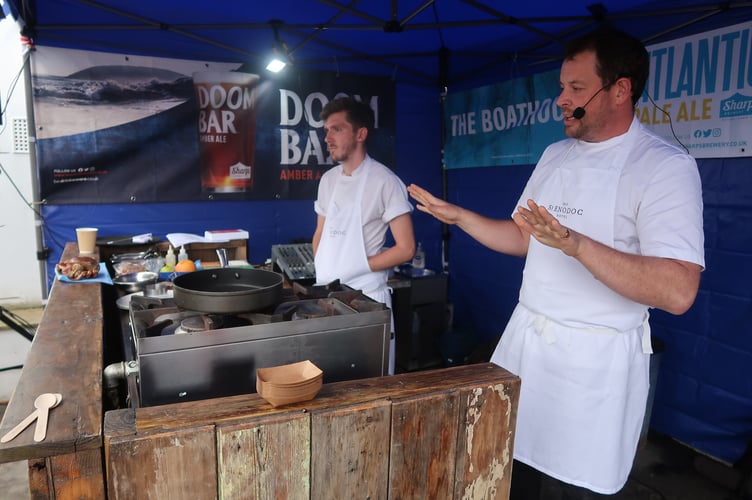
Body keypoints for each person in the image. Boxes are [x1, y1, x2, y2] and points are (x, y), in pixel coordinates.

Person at [408, 26, 704, 498]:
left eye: (577, 88)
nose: (561, 100)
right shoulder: (555, 154)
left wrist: (577, 245)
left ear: (621, 89)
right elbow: (524, 238)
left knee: (575, 489)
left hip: (592, 369)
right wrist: (459, 216)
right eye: (562, 88)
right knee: (505, 475)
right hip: (526, 348)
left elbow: (678, 290)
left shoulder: (663, 166)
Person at [313, 96, 415, 375]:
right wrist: (324, 272)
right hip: (327, 302)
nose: (328, 138)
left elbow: (406, 249)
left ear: (360, 133)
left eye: (336, 129)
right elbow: (320, 232)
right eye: (326, 131)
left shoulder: (385, 182)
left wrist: (358, 265)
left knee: (371, 386)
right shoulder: (328, 181)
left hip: (367, 302)